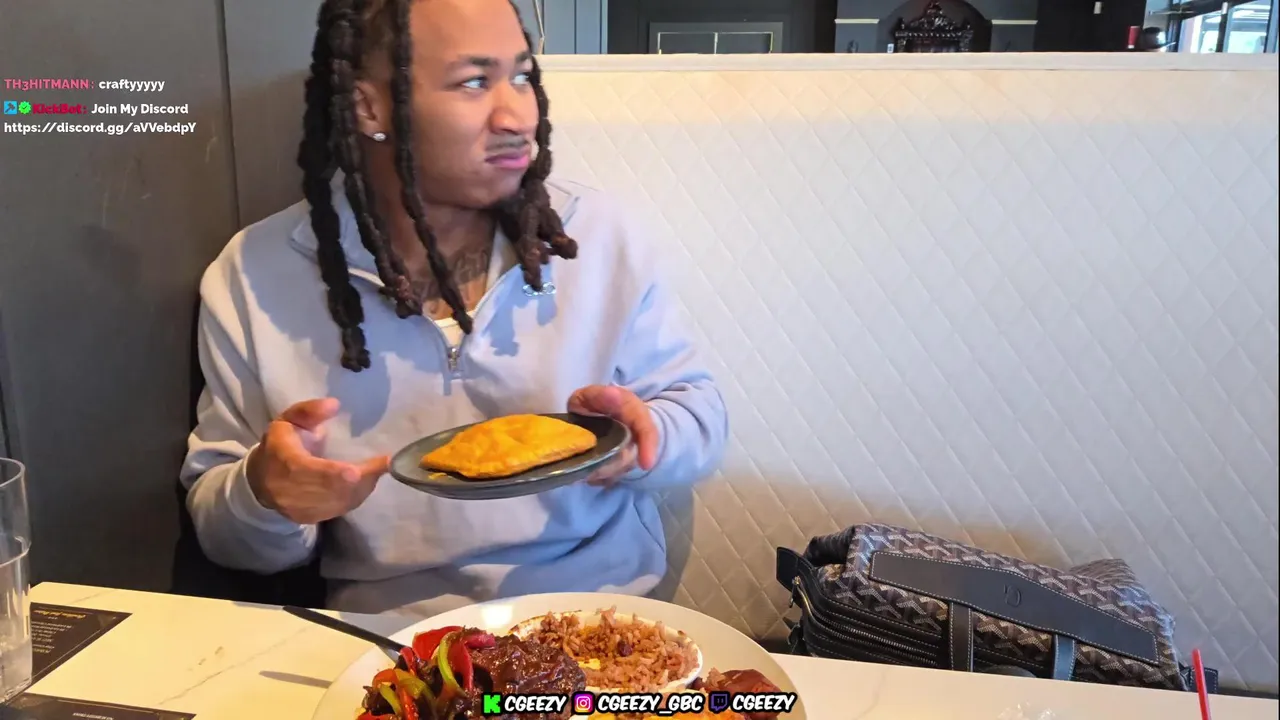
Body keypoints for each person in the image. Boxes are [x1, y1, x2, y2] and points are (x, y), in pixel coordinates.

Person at [179, 0, 727, 616]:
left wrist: (636, 444)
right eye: (473, 82)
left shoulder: (596, 237)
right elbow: (223, 531)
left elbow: (698, 414)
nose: (518, 116)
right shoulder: (255, 275)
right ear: (369, 107)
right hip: (389, 638)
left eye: (522, 76)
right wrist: (267, 495)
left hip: (604, 619)